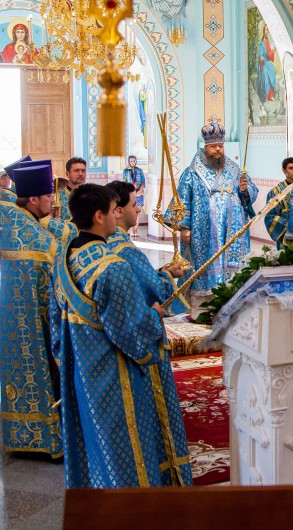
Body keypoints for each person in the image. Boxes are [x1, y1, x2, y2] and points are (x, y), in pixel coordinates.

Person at [52, 183, 193, 488]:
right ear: (99, 216)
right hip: (114, 375)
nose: (117, 217)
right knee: (126, 449)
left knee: (96, 440)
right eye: (111, 211)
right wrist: (154, 315)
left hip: (83, 371)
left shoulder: (67, 257)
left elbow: (57, 319)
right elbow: (131, 330)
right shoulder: (113, 269)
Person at [0, 160, 63, 457]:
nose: (54, 202)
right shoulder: (25, 229)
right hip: (29, 322)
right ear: (33, 199)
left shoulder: (22, 219)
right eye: (49, 197)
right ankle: (36, 438)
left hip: (29, 314)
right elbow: (57, 251)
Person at [177, 123, 258, 305]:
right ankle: (203, 301)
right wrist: (184, 227)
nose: (218, 150)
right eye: (214, 146)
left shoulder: (235, 169)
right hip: (203, 232)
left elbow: (251, 192)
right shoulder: (192, 172)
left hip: (232, 230)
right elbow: (182, 200)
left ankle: (230, 295)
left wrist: (244, 190)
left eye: (221, 146)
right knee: (204, 263)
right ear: (206, 147)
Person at [105, 181, 188, 316]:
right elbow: (153, 288)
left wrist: (162, 271)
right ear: (119, 211)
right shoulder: (126, 250)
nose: (138, 209)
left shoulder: (106, 239)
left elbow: (136, 279)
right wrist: (168, 276)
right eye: (134, 205)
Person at [122, 155, 146, 237]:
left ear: (136, 161)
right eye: (131, 161)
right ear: (129, 162)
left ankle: (136, 229)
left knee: (138, 211)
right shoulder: (125, 171)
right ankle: (132, 230)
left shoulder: (139, 170)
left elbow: (143, 182)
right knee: (131, 212)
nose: (133, 162)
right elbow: (124, 182)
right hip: (130, 193)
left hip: (139, 193)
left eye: (134, 161)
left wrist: (141, 189)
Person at [58, 156, 87, 222]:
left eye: (83, 171)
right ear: (67, 174)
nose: (80, 174)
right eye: (76, 171)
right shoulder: (58, 198)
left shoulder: (91, 196)